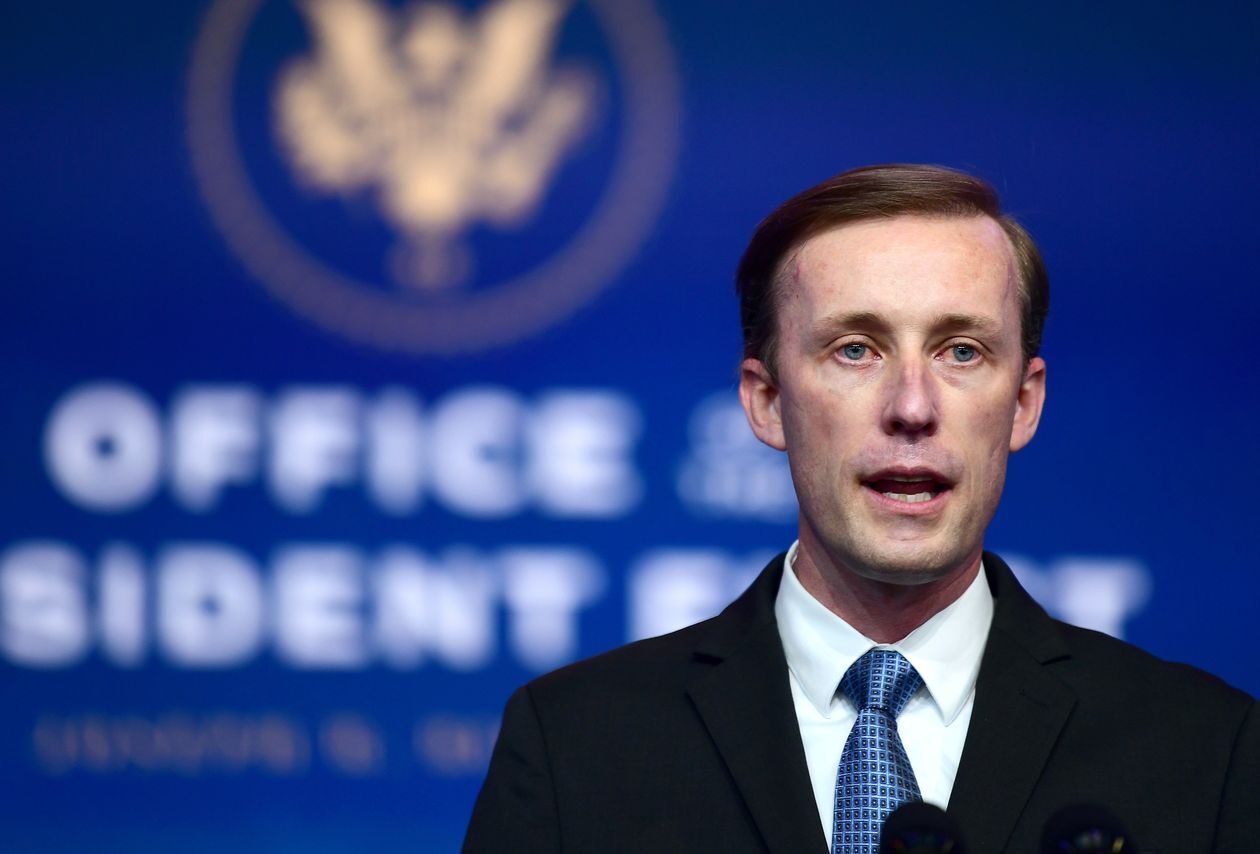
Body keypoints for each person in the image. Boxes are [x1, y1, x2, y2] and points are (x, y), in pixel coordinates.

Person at [462, 165, 1259, 853]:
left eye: (961, 351)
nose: (912, 407)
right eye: (856, 350)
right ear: (767, 401)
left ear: (1023, 403)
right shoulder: (575, 747)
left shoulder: (1206, 752)